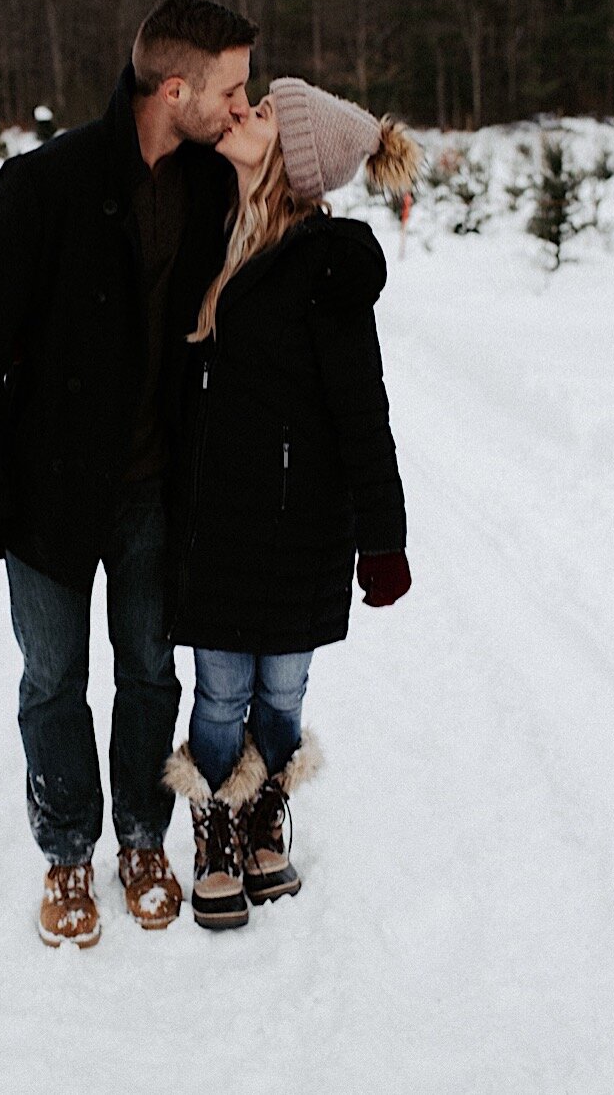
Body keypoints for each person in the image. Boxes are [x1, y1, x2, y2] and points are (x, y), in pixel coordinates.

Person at [0, 0, 256, 948]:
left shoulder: (211, 183)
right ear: (174, 88)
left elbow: (299, 199)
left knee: (151, 671)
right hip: (47, 494)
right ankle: (68, 849)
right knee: (53, 676)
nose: (242, 106)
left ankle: (141, 839)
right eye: (231, 88)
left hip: (157, 486)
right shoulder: (44, 185)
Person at [163, 78, 419, 929]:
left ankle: (263, 808)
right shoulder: (205, 231)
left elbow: (362, 409)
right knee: (218, 690)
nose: (239, 113)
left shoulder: (323, 265)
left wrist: (383, 538)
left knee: (280, 692)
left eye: (261, 113)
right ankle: (213, 826)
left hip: (305, 521)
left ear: (293, 157)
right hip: (220, 520)